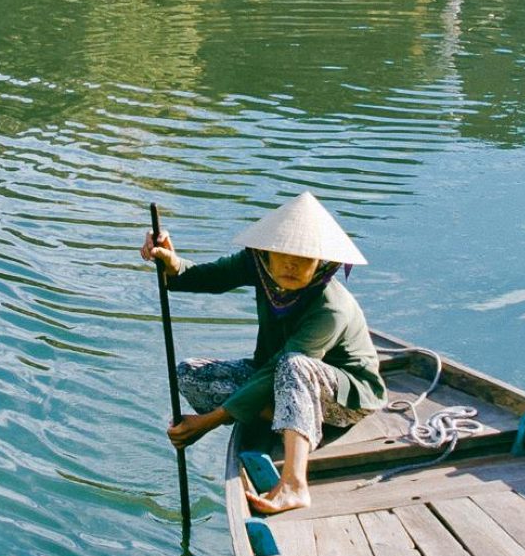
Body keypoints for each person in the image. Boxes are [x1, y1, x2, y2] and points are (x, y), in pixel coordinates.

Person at [141, 193, 384, 514]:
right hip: (279, 376)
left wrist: (206, 423)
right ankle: (285, 417)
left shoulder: (331, 306)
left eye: (305, 258)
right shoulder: (257, 265)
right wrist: (171, 263)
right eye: (282, 254)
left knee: (294, 365)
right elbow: (203, 276)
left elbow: (284, 368)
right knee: (190, 374)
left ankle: (295, 484)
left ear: (322, 263)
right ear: (266, 254)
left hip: (344, 397)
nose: (291, 264)